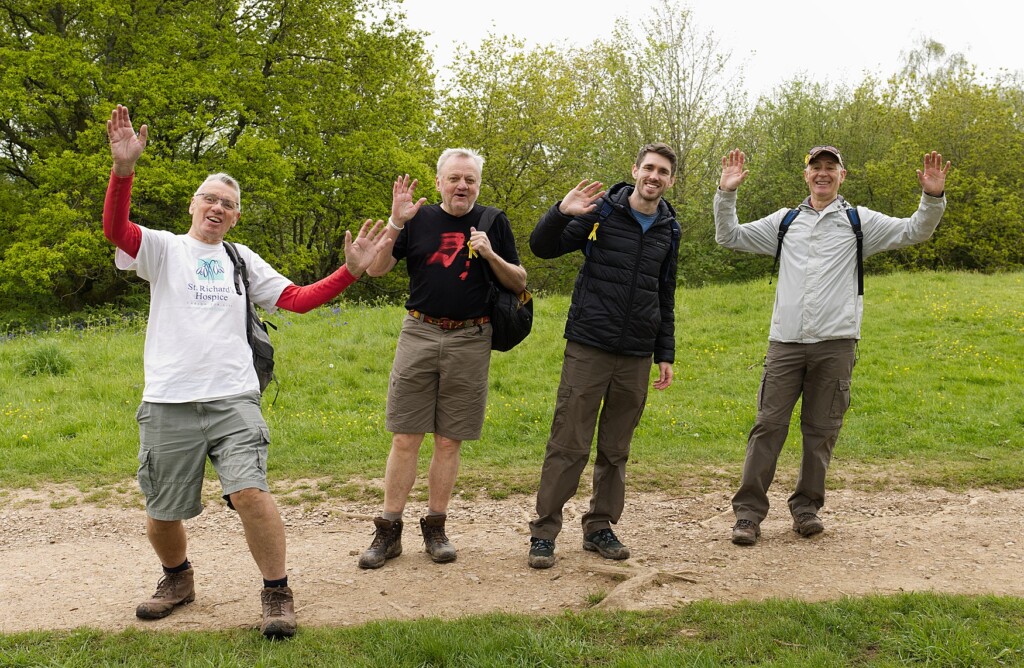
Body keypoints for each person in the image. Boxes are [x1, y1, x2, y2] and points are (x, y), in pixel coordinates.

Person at [103, 105, 391, 638]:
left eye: (228, 204)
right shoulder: (165, 248)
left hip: (235, 397)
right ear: (194, 204)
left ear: (236, 217)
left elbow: (298, 300)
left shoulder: (242, 259)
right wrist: (123, 171)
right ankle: (177, 579)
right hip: (169, 398)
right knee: (164, 509)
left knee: (251, 492)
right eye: (210, 198)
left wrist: (349, 271)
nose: (217, 207)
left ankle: (277, 593)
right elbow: (116, 230)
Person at [715, 145, 950, 545]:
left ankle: (806, 509)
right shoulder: (785, 222)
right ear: (806, 175)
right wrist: (727, 193)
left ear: (843, 175)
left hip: (836, 343)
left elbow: (916, 230)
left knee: (821, 431)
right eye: (816, 168)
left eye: (831, 168)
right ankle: (748, 515)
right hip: (785, 343)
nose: (822, 174)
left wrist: (931, 198)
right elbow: (729, 236)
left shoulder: (860, 221)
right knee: (767, 428)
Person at [358, 148, 527, 568]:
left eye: (469, 179)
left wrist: (489, 253)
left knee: (450, 440)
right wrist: (396, 221)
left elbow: (520, 281)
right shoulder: (417, 220)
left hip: (471, 337)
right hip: (419, 330)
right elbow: (376, 269)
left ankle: (436, 527)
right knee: (405, 435)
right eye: (454, 178)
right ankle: (388, 531)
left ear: (478, 184)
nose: (462, 186)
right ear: (439, 182)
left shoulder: (493, 221)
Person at [526, 143, 680, 569]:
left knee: (616, 449)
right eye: (648, 167)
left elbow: (664, 293)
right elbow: (543, 247)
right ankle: (544, 532)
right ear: (634, 170)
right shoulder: (601, 212)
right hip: (589, 345)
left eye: (663, 171)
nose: (654, 176)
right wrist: (561, 211)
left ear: (671, 180)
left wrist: (664, 351)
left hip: (636, 354)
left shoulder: (670, 229)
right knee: (568, 442)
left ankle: (599, 527)